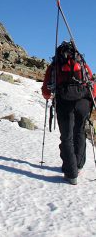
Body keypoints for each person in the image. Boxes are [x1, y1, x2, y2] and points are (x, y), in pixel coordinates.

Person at [42, 41, 96, 185]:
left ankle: (71, 173)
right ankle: (78, 165)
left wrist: (50, 96)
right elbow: (92, 84)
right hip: (83, 103)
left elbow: (46, 92)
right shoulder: (82, 63)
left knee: (67, 137)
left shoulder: (54, 66)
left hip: (64, 103)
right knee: (80, 133)